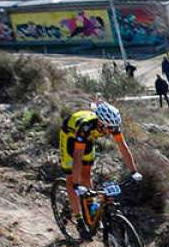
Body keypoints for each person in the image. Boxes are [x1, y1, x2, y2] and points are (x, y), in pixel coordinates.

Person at [59, 101, 142, 238]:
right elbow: (78, 155)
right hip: (71, 136)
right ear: (100, 123)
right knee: (71, 179)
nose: (112, 131)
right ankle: (79, 219)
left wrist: (134, 171)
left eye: (114, 128)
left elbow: (123, 147)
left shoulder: (111, 126)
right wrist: (76, 184)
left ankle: (90, 210)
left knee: (86, 174)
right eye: (109, 128)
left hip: (88, 138)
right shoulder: (86, 127)